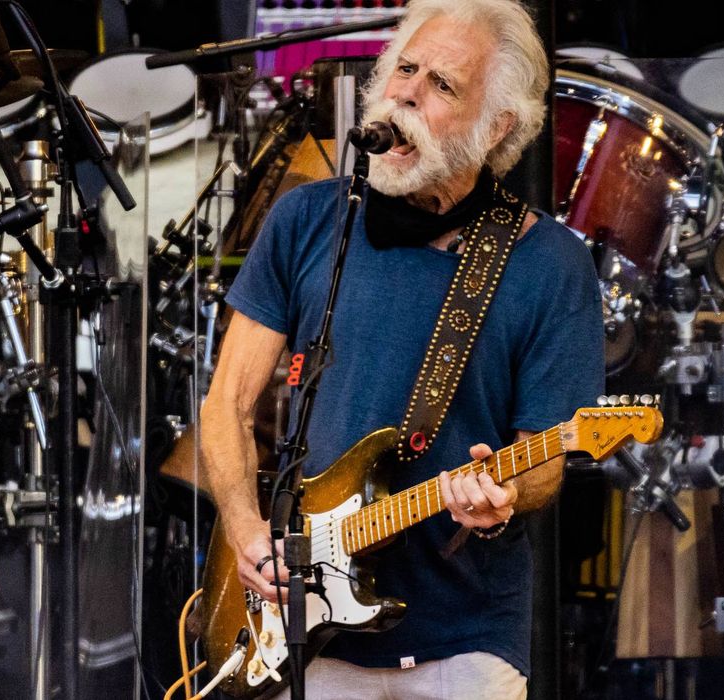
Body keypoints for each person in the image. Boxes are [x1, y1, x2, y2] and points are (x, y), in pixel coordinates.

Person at [199, 0, 604, 697]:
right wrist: (245, 531)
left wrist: (503, 491)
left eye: (442, 84)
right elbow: (225, 405)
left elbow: (545, 459)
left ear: (496, 127)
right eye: (405, 69)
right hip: (306, 630)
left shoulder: (549, 262)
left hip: (466, 638)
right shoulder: (307, 219)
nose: (407, 93)